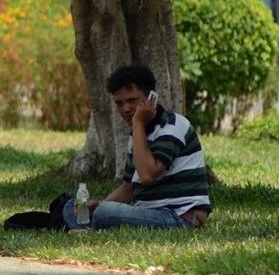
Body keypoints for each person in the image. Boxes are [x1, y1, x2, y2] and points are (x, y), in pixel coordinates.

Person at [63, 64, 211, 231]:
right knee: (72, 206)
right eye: (119, 103)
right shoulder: (138, 134)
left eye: (132, 101)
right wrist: (98, 205)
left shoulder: (173, 126)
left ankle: (88, 229)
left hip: (180, 217)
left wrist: (138, 123)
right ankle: (88, 227)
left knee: (105, 212)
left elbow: (147, 176)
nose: (125, 109)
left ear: (151, 98)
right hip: (147, 212)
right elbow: (128, 188)